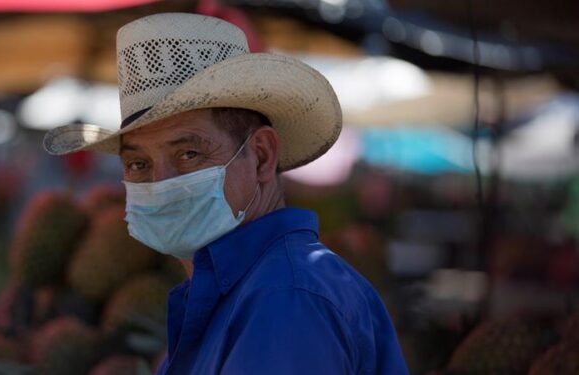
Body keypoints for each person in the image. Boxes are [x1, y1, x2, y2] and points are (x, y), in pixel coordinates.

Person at [44, 12, 408, 375]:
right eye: (138, 164)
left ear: (262, 157)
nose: (161, 182)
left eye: (189, 154)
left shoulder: (286, 299)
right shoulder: (238, 294)